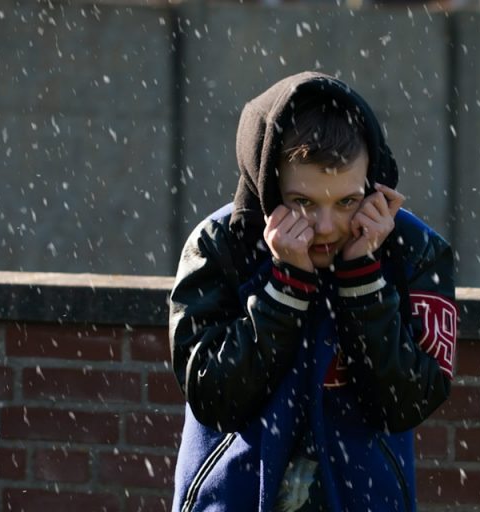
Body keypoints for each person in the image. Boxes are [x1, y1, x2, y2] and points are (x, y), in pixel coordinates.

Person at [169, 71, 457, 512]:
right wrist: (286, 286)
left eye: (346, 201)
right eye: (303, 202)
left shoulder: (414, 252)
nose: (326, 227)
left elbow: (407, 403)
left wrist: (363, 277)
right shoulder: (217, 245)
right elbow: (214, 397)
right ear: (267, 184)